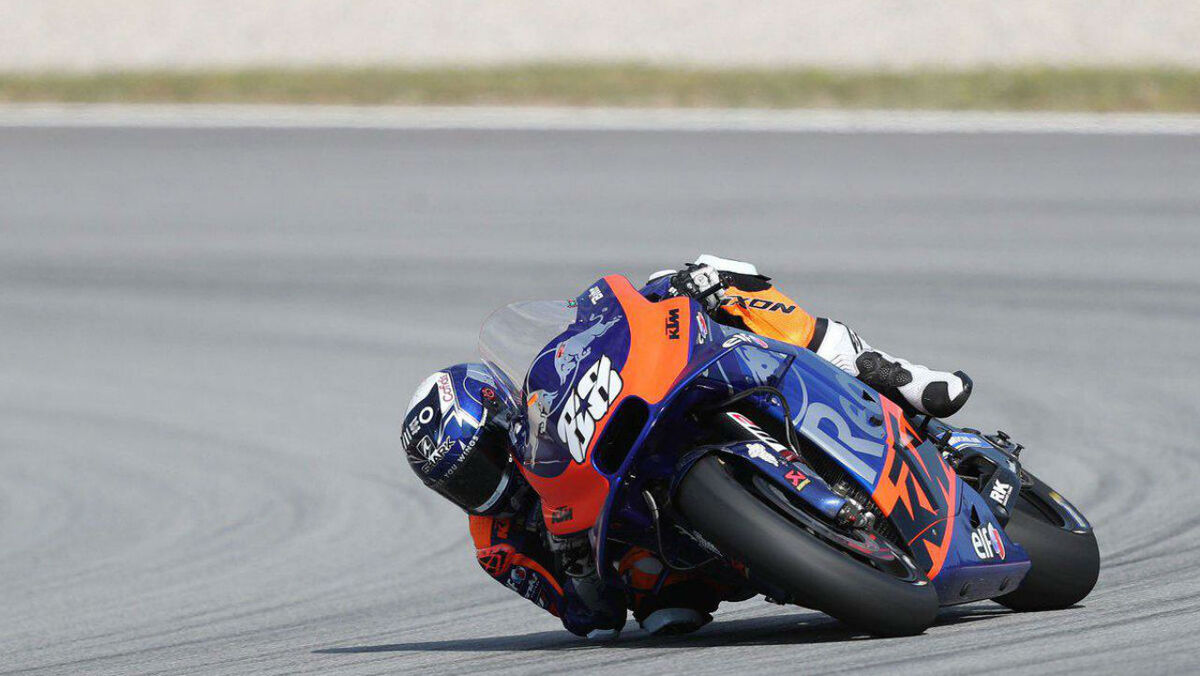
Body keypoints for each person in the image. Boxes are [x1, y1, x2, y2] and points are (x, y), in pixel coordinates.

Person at [400, 255, 972, 639]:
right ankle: (806, 556)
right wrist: (579, 573)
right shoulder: (496, 544)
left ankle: (894, 376)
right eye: (462, 486)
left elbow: (603, 325)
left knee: (717, 278)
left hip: (644, 440)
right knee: (661, 612)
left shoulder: (544, 406)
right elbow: (588, 618)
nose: (487, 488)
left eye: (483, 464)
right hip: (668, 552)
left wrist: (673, 289)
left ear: (506, 417)